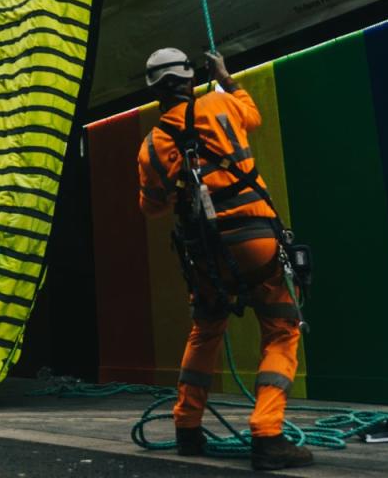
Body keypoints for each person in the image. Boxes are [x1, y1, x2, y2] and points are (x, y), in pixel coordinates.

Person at [136, 47, 313, 471]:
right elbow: (252, 115)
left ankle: (187, 428)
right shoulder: (220, 103)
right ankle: (268, 435)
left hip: (206, 254)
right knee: (282, 330)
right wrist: (226, 77)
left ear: (154, 90)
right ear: (189, 78)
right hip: (255, 242)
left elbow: (152, 207)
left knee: (206, 330)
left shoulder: (153, 144)